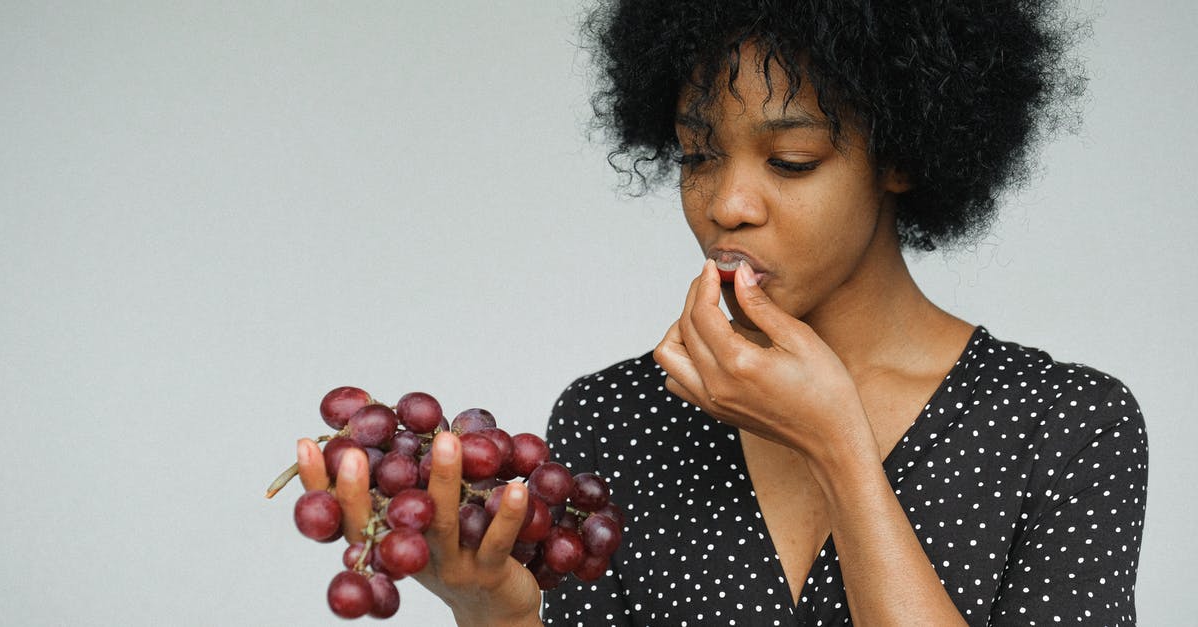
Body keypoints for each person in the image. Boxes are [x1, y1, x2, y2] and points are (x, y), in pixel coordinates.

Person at [297, 1, 1148, 624]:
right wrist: (500, 613)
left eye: (791, 159)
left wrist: (838, 450)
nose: (727, 204)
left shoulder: (1067, 423)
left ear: (902, 155)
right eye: (700, 153)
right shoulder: (617, 417)